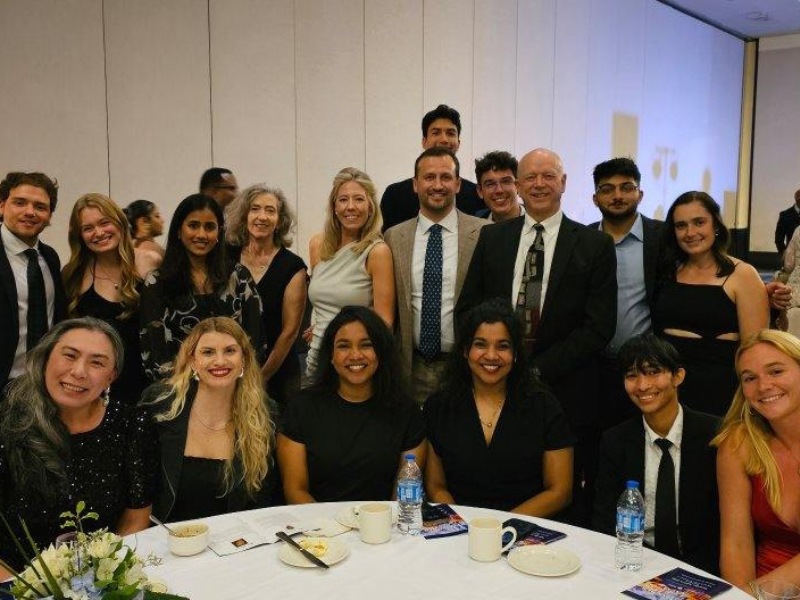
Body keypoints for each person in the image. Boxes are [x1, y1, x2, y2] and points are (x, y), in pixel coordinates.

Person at [457, 148, 617, 524]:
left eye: (549, 176)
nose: (539, 184)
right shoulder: (493, 238)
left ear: (563, 182)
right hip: (492, 386)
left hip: (566, 390)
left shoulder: (594, 245)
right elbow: (466, 311)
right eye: (530, 177)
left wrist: (533, 370)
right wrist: (493, 360)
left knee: (563, 498)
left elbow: (599, 326)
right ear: (518, 186)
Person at [0, 318, 156, 575]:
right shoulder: (8, 425)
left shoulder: (132, 425)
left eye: (97, 362)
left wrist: (105, 577)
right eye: (69, 356)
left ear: (111, 376)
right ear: (46, 359)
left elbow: (135, 518)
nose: (79, 371)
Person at [424, 300, 574, 516]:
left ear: (515, 354)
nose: (491, 355)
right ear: (465, 351)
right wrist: (462, 522)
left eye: (502, 346)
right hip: (459, 527)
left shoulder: (544, 406)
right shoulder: (439, 406)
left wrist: (500, 526)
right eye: (480, 344)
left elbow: (560, 491)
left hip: (525, 531)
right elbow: (436, 486)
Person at [593, 333, 720, 574]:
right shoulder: (616, 440)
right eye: (632, 376)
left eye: (653, 372)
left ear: (678, 376)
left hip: (701, 568)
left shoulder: (714, 435)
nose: (642, 385)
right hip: (636, 562)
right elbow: (604, 519)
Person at [278, 306, 426, 503]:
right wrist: (327, 531)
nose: (355, 355)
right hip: (317, 527)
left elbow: (403, 495)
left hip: (383, 526)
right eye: (343, 346)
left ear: (381, 352)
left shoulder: (407, 412)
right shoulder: (301, 408)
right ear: (330, 355)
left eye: (366, 345)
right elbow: (295, 490)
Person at [144, 317, 276, 521]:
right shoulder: (159, 404)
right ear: (192, 361)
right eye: (208, 352)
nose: (220, 361)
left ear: (245, 359)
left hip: (234, 543)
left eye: (230, 351)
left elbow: (265, 501)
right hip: (166, 542)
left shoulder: (265, 414)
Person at [653, 191, 769, 416]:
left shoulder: (743, 275)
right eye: (681, 225)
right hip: (669, 391)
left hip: (720, 394)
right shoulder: (667, 272)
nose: (690, 233)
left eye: (699, 222)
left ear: (716, 225)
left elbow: (754, 350)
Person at [384, 147, 486, 404]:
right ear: (415, 185)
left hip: (467, 367)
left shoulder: (487, 233)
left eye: (446, 177)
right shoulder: (394, 237)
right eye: (429, 177)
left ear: (459, 184)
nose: (438, 185)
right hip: (410, 368)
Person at [139, 193, 263, 381]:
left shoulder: (238, 276)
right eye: (193, 225)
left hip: (234, 387)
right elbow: (155, 356)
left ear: (219, 232)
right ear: (179, 231)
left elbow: (255, 341)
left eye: (210, 227)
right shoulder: (157, 283)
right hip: (178, 395)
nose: (202, 235)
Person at [714, 329, 800, 592]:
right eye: (749, 378)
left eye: (776, 371)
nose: (763, 386)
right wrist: (740, 597)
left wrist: (759, 596)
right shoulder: (739, 443)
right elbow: (736, 542)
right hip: (761, 588)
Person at [589, 158, 666, 429]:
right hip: (592, 367)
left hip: (647, 367)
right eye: (607, 189)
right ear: (595, 198)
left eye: (626, 187)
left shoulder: (663, 238)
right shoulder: (581, 241)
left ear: (640, 194)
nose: (618, 196)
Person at [305, 167, 394, 378]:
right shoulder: (318, 245)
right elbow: (321, 299)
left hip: (356, 361)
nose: (351, 207)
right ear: (334, 206)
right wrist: (316, 324)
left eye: (359, 199)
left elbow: (385, 323)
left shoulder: (377, 251)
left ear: (371, 207)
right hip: (317, 358)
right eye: (343, 199)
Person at [62, 194, 149, 406]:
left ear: (119, 222)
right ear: (80, 235)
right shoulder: (73, 275)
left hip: (146, 384)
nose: (99, 233)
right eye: (88, 228)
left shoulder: (149, 262)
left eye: (104, 223)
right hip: (96, 390)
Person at [225, 184, 307, 406]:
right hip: (225, 370)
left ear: (280, 221)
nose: (262, 216)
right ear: (244, 215)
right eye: (255, 209)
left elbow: (289, 333)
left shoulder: (293, 266)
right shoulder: (225, 257)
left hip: (277, 374)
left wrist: (259, 378)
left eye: (270, 210)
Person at [0, 171, 67, 388]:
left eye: (40, 206)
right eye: (19, 203)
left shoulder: (50, 257)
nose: (29, 212)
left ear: (49, 215)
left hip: (43, 384)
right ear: (2, 206)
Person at [380, 104, 486, 231]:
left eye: (451, 133)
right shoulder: (395, 196)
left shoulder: (476, 195)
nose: (444, 139)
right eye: (436, 133)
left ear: (458, 143)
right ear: (424, 141)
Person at [474, 151, 523, 223]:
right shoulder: (473, 224)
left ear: (518, 186)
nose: (499, 190)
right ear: (480, 191)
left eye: (506, 181)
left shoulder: (537, 220)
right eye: (490, 184)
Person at [775, 189, 800, 255]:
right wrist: (783, 253)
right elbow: (779, 238)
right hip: (792, 257)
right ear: (797, 199)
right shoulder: (785, 215)